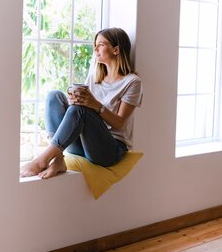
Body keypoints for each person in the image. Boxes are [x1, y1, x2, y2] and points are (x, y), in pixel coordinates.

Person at [20, 27, 143, 179]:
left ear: (116, 50)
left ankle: (41, 161)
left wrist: (95, 105)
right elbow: (78, 111)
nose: (95, 49)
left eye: (101, 45)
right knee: (55, 96)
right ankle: (58, 159)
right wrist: (74, 101)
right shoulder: (94, 77)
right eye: (95, 45)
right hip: (83, 145)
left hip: (109, 150)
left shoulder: (132, 82)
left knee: (82, 110)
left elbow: (119, 123)